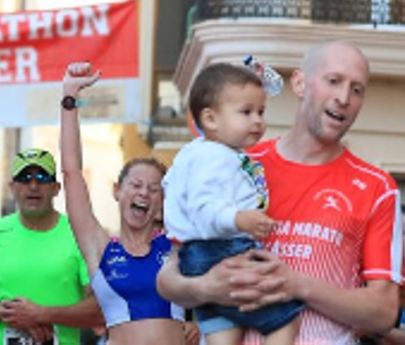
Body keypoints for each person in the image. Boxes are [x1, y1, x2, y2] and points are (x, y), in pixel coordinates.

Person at [157, 40, 403, 344]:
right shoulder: (235, 163)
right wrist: (205, 288)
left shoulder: (378, 187)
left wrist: (299, 285)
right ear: (299, 83)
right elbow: (168, 276)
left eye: (357, 89)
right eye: (333, 81)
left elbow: (383, 311)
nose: (344, 98)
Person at [162, 62, 304, 344]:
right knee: (285, 319)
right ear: (211, 119)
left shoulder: (192, 155)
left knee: (223, 331)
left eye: (261, 112)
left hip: (196, 256)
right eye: (246, 112)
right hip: (223, 250)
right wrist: (240, 219)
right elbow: (204, 208)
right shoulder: (216, 157)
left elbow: (174, 196)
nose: (258, 121)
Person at [59, 61, 189, 345]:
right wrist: (69, 98)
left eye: (154, 189)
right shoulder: (99, 249)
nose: (144, 193)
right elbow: (71, 172)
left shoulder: (176, 247)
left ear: (163, 202)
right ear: (117, 191)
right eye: (136, 185)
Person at [0, 148, 103, 345]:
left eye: (42, 177)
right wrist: (10, 313)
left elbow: (100, 308)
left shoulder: (79, 235)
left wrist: (41, 315)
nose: (33, 186)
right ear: (12, 187)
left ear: (56, 188)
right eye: (24, 178)